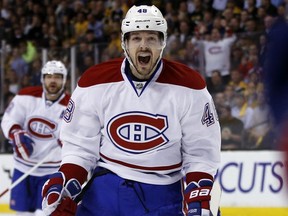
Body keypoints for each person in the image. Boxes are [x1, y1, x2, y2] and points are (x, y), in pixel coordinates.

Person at [41, 5, 221, 216]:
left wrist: (198, 197)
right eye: (136, 38)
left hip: (164, 192)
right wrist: (66, 181)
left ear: (162, 43)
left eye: (151, 38)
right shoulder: (94, 82)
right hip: (106, 188)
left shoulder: (190, 86)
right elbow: (80, 146)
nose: (143, 46)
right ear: (124, 43)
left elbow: (201, 152)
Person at [1, 60, 70, 215]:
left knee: (45, 213)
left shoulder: (72, 105)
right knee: (22, 214)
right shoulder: (26, 96)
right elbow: (9, 119)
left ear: (64, 80)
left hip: (51, 170)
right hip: (23, 167)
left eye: (58, 77)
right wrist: (15, 132)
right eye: (49, 76)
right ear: (42, 79)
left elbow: (79, 133)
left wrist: (69, 139)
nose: (53, 80)